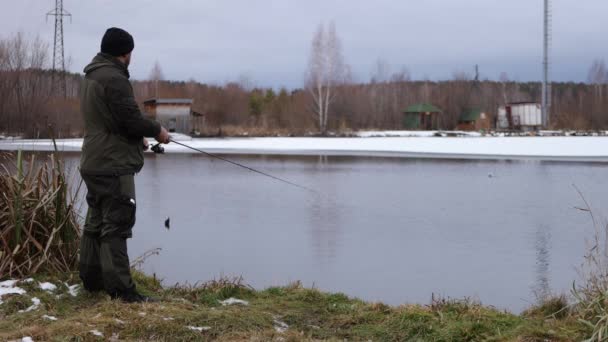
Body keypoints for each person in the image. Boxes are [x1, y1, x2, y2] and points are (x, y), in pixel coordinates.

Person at [79, 27, 170, 302]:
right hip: (113, 164)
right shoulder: (115, 79)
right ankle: (122, 291)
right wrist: (157, 131)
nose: (131, 57)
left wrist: (137, 139)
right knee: (117, 222)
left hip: (93, 160)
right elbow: (130, 120)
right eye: (130, 52)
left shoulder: (91, 75)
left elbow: (113, 121)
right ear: (124, 53)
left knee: (96, 220)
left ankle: (92, 280)